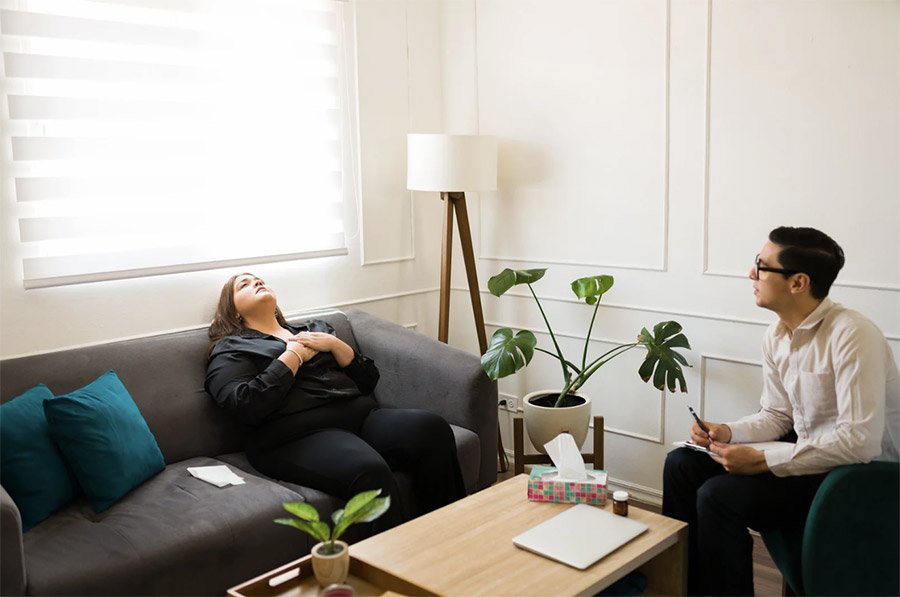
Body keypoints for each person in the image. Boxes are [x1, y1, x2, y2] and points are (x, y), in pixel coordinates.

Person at [663, 227, 900, 596]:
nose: (751, 274)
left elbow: (859, 443)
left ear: (798, 282)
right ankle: (683, 587)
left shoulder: (853, 334)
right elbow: (777, 415)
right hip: (810, 453)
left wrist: (761, 462)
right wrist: (726, 431)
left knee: (718, 496)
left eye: (761, 266)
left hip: (856, 476)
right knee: (681, 463)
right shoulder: (776, 335)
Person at [205, 272, 466, 532]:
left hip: (359, 417)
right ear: (234, 312)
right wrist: (293, 355)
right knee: (368, 470)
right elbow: (246, 405)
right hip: (295, 437)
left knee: (430, 428)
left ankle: (450, 536)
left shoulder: (314, 331)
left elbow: (367, 381)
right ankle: (391, 568)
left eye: (258, 279)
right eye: (245, 285)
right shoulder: (231, 349)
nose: (257, 283)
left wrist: (335, 344)